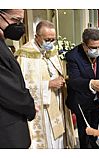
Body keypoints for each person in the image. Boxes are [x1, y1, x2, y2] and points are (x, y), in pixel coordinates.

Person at [15, 20, 75, 149]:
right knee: (47, 138)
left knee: (58, 139)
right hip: (41, 108)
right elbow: (22, 86)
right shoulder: (25, 55)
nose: (51, 43)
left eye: (53, 40)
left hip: (56, 102)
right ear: (37, 37)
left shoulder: (51, 52)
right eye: (48, 39)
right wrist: (48, 84)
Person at [0, 9, 36, 148]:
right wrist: (29, 106)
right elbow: (8, 90)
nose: (19, 25)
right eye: (15, 20)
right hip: (7, 129)